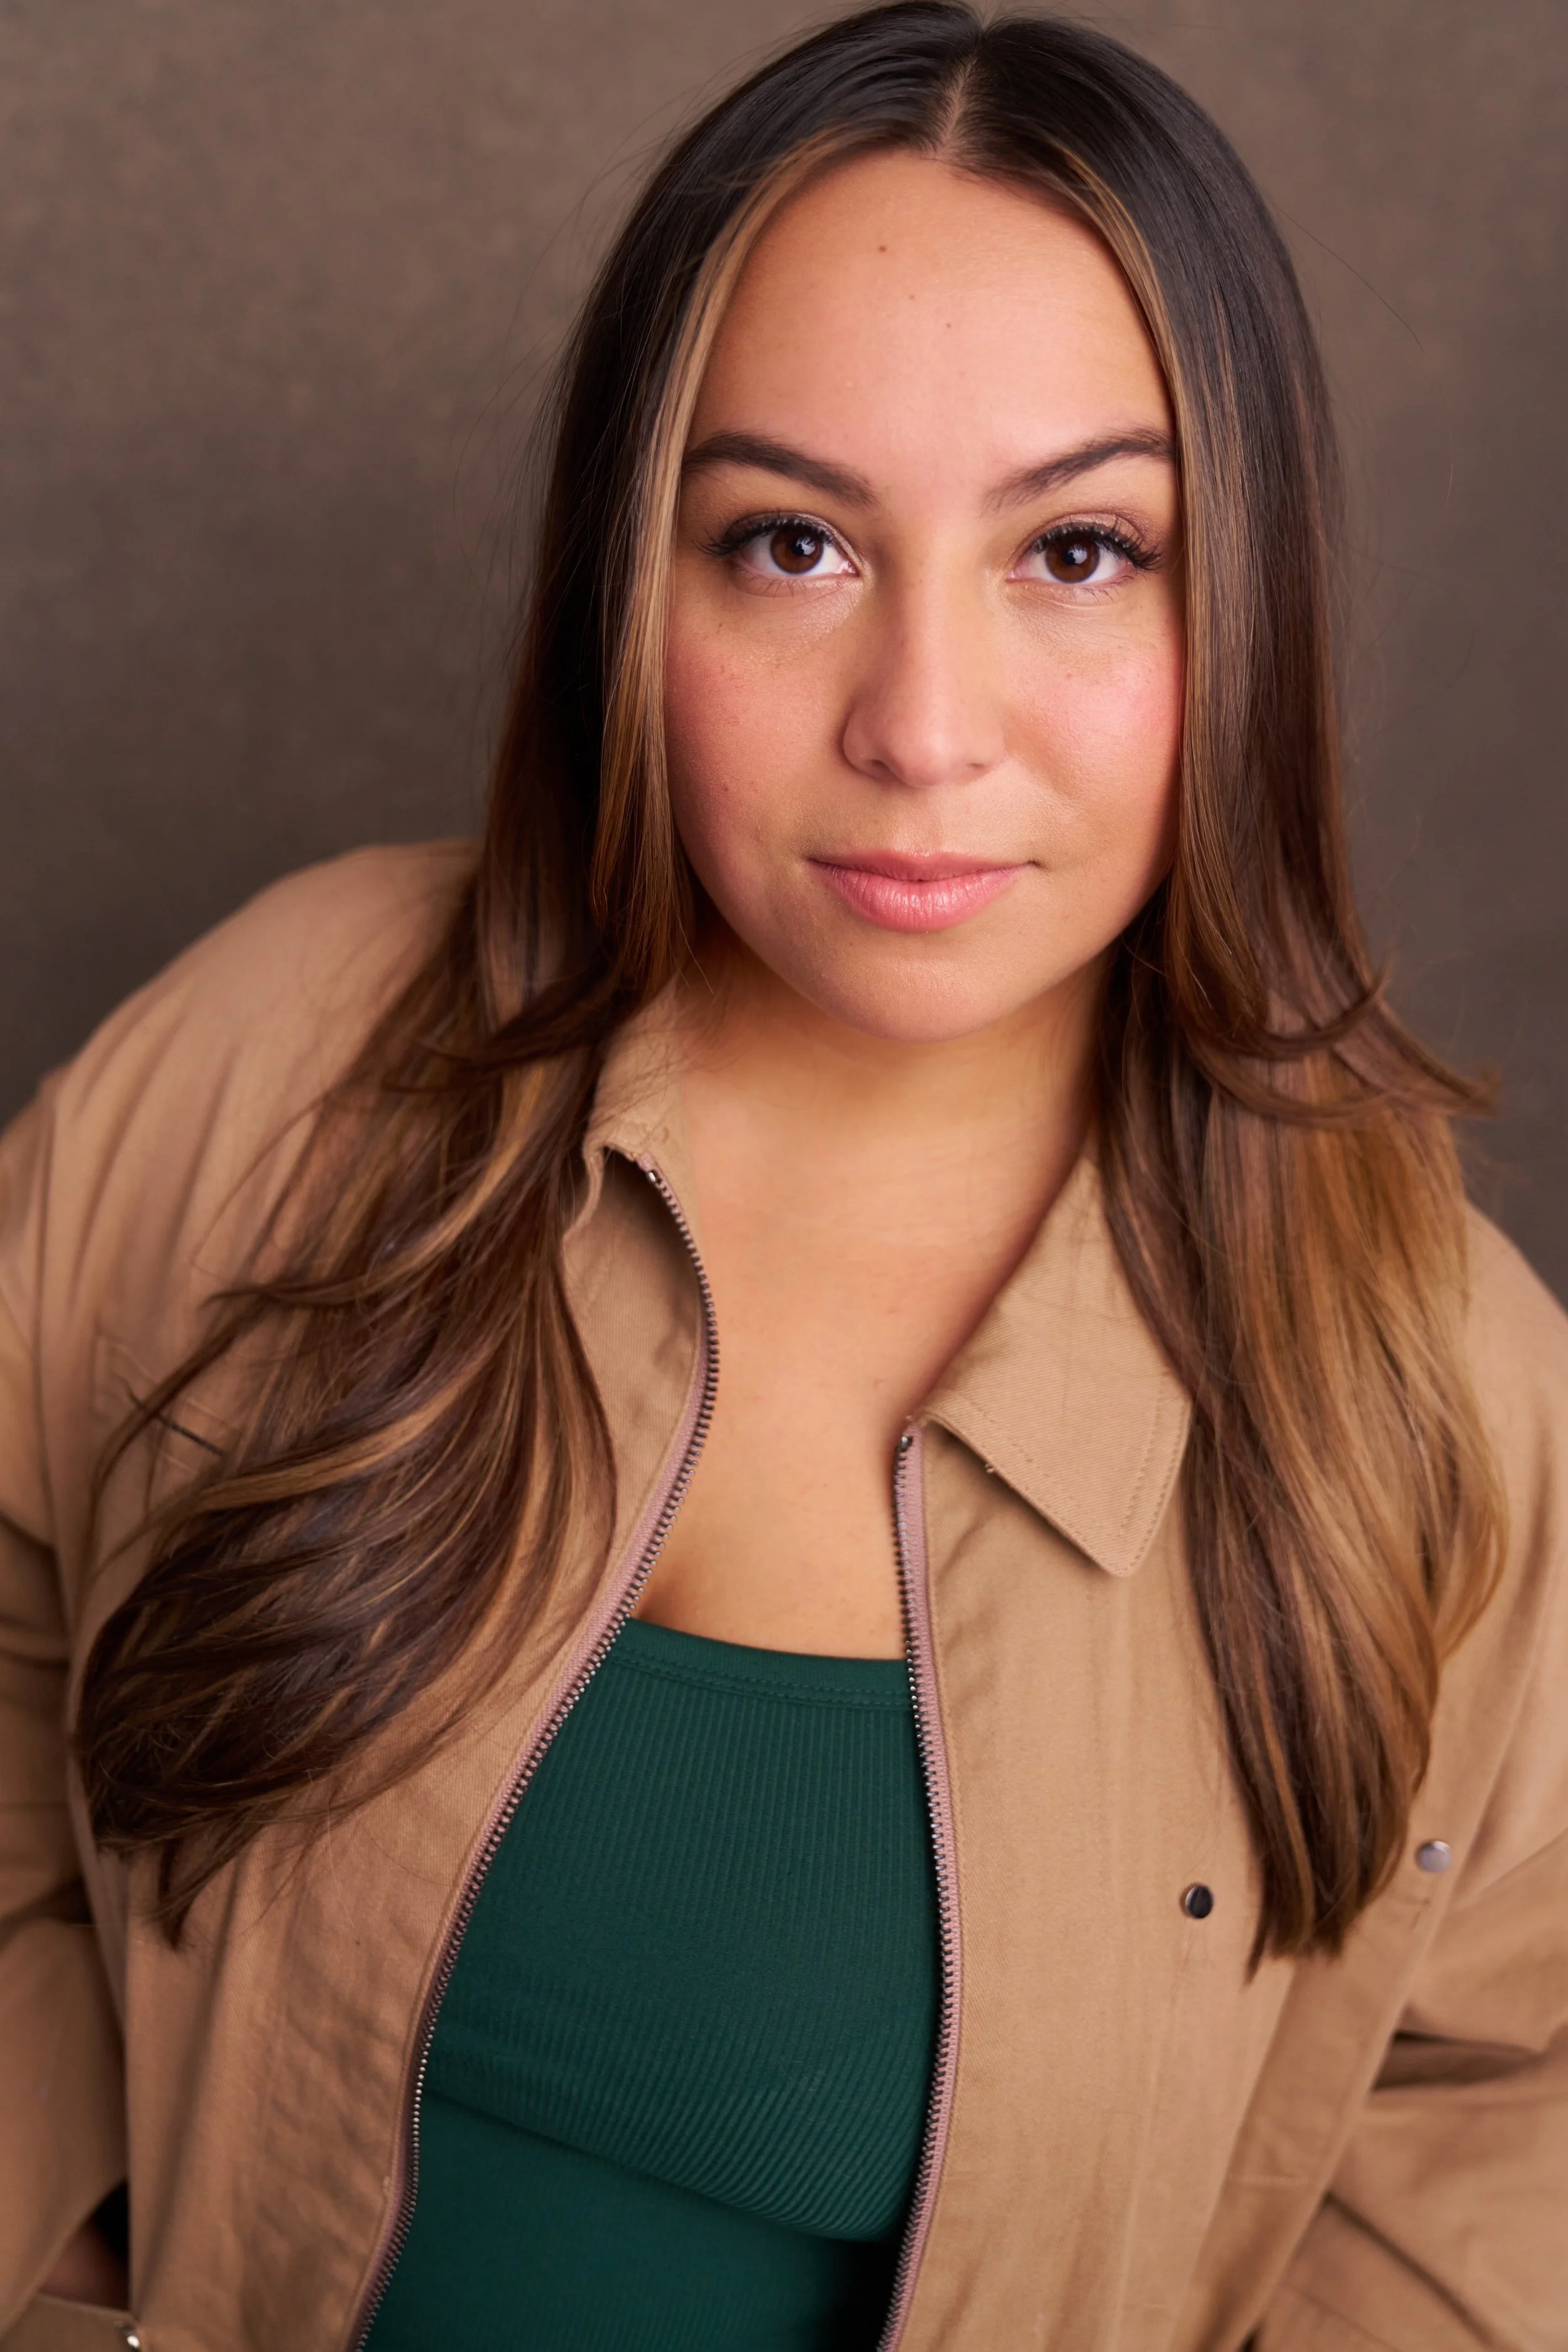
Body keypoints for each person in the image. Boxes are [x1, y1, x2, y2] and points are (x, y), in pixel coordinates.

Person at [3, 4, 1564, 2346]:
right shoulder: (278, 1052)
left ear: (1245, 602)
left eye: (1077, 548)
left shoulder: (1443, 1397)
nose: (920, 727)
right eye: (793, 542)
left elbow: (1504, 2108)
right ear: (630, 583)